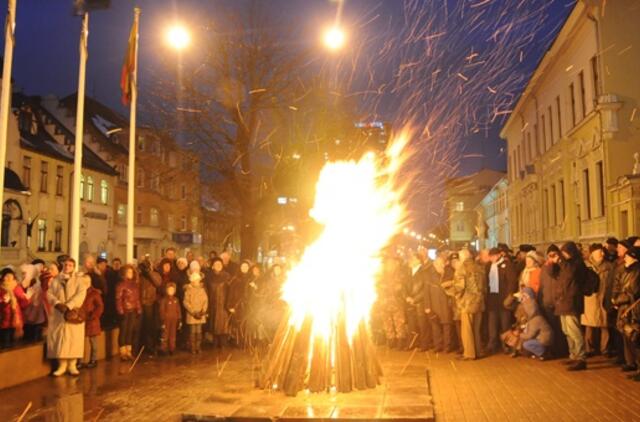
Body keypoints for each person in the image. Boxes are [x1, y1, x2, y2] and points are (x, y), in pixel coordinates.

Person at [46, 258, 88, 377]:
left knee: (73, 340)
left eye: (70, 265)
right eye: (66, 265)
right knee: (61, 340)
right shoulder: (55, 280)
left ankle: (72, 365)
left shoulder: (79, 281)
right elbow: (49, 294)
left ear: (73, 267)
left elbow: (81, 294)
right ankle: (62, 365)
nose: (67, 267)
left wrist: (69, 306)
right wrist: (57, 303)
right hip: (59, 315)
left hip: (73, 315)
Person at [555, 242, 588, 371]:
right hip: (563, 301)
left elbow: (570, 275)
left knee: (575, 331)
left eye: (564, 252)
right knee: (566, 330)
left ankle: (581, 358)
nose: (562, 255)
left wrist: (562, 261)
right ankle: (573, 355)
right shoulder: (566, 264)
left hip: (572, 301)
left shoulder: (577, 264)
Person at [452, 250, 485, 360]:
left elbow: (459, 287)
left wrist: (453, 294)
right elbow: (485, 285)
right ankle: (479, 351)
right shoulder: (479, 267)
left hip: (467, 303)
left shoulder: (462, 268)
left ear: (462, 258)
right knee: (476, 329)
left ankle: (469, 354)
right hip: (479, 302)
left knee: (467, 330)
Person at [613, 246, 640, 376]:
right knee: (627, 337)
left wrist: (617, 300)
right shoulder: (625, 270)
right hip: (625, 308)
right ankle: (631, 363)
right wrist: (615, 298)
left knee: (635, 337)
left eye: (628, 256)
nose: (625, 258)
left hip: (634, 309)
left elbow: (632, 292)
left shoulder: (637, 271)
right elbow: (618, 286)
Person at [582, 243, 613, 357]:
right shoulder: (586, 265)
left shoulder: (609, 266)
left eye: (603, 251)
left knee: (604, 325)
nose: (602, 254)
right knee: (589, 325)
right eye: (600, 251)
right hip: (590, 298)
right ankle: (589, 348)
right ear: (593, 253)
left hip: (603, 297)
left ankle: (605, 348)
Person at [486, 247, 518, 354]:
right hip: (492, 300)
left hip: (504, 300)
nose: (492, 258)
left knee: (505, 324)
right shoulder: (489, 266)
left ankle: (507, 345)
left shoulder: (507, 265)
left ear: (499, 255)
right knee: (492, 324)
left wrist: (509, 296)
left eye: (494, 256)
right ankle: (492, 344)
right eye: (490, 257)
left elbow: (512, 281)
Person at [424, 256, 454, 353]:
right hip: (434, 304)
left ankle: (447, 347)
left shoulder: (449, 273)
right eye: (438, 264)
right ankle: (438, 346)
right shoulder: (429, 275)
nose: (440, 265)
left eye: (442, 263)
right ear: (434, 265)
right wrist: (427, 306)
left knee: (447, 327)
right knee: (435, 327)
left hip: (446, 304)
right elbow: (426, 292)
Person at [115, 264, 142, 361]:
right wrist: (120, 311)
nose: (131, 274)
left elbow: (137, 298)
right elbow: (118, 299)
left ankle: (128, 351)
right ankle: (123, 352)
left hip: (133, 310)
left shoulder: (134, 285)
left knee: (130, 330)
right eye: (129, 272)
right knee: (123, 331)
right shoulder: (121, 285)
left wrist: (139, 309)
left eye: (131, 272)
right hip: (125, 311)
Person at [405, 253, 431, 351]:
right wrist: (406, 297)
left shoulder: (423, 271)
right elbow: (404, 286)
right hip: (410, 302)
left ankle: (424, 345)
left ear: (418, 260)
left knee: (422, 325)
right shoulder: (408, 272)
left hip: (420, 303)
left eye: (412, 258)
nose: (410, 260)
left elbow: (425, 289)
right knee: (412, 325)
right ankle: (413, 343)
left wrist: (415, 299)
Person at [520, 287, 553, 360]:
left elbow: (530, 335)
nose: (523, 299)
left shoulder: (535, 319)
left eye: (525, 296)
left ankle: (543, 353)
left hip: (545, 340)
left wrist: (520, 335)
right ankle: (539, 352)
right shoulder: (534, 317)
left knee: (526, 344)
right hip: (541, 338)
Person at [206, 258, 230, 348]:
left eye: (220, 264)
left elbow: (230, 291)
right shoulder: (209, 277)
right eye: (216, 264)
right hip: (213, 303)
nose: (218, 266)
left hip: (224, 303)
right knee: (214, 323)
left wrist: (229, 303)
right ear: (212, 266)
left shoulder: (227, 276)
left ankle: (223, 342)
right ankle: (215, 342)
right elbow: (206, 291)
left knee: (223, 324)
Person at [138, 260, 161, 355]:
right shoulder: (140, 276)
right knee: (139, 327)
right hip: (139, 303)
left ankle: (149, 346)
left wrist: (149, 273)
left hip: (150, 303)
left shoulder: (155, 274)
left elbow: (157, 283)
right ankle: (139, 346)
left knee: (149, 326)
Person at [80, 274, 104, 368]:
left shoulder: (94, 293)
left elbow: (100, 306)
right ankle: (80, 360)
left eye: (86, 282)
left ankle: (93, 359)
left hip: (91, 320)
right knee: (81, 342)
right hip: (82, 319)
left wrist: (94, 315)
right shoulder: (80, 292)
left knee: (93, 341)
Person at [0, 268, 27, 348]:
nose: (8, 278)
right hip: (3, 320)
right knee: (5, 344)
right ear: (2, 277)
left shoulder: (16, 287)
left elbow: (24, 304)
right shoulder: (1, 288)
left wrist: (23, 297)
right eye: (6, 276)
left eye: (11, 276)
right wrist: (4, 301)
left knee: (15, 344)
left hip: (15, 320)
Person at [226, 260, 251, 347]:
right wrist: (230, 305)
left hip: (248, 306)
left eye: (246, 267)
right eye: (243, 267)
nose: (245, 268)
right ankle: (238, 342)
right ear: (240, 268)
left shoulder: (250, 279)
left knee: (247, 324)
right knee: (238, 324)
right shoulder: (236, 279)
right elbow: (231, 293)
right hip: (238, 305)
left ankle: (246, 342)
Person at [184, 272, 208, 354]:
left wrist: (203, 310)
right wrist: (192, 312)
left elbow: (205, 301)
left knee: (199, 331)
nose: (196, 282)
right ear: (191, 281)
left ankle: (198, 346)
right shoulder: (188, 291)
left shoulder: (202, 290)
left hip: (200, 314)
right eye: (194, 281)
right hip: (192, 315)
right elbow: (186, 302)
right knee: (192, 332)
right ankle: (192, 347)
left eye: (197, 281)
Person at [20, 263, 46, 342]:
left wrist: (25, 297)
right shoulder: (25, 284)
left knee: (32, 341)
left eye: (24, 273)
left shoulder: (36, 285)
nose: (23, 276)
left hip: (35, 319)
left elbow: (36, 303)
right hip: (27, 318)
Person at [159, 282, 181, 355]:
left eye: (172, 290)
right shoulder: (164, 300)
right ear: (166, 290)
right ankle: (163, 348)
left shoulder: (176, 300)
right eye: (169, 290)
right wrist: (162, 320)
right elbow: (162, 310)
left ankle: (172, 348)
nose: (171, 291)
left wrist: (179, 319)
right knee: (165, 334)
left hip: (174, 320)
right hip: (166, 320)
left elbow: (178, 310)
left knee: (172, 334)